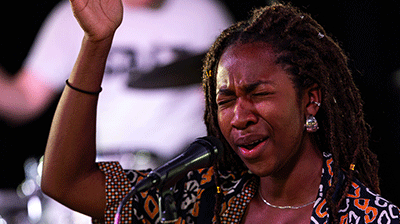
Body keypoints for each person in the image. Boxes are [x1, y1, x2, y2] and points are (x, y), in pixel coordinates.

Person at [41, 0, 400, 223]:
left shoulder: (364, 216)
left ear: (310, 101)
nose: (239, 116)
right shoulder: (202, 198)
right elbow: (67, 182)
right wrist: (96, 43)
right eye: (225, 101)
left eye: (258, 93)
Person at [0, 0, 232, 169]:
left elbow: (225, 100)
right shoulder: (76, 14)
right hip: (104, 172)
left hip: (187, 169)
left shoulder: (204, 11)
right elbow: (27, 97)